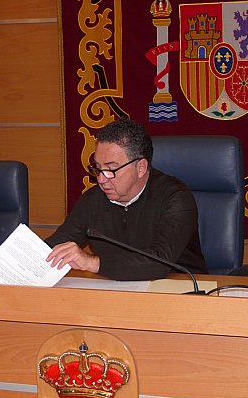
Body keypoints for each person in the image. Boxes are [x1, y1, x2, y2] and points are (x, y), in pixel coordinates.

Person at [45, 118, 207, 280]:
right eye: (98, 169)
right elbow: (53, 247)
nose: (101, 179)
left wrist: (92, 263)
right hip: (114, 286)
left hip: (180, 285)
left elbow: (159, 263)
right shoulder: (93, 199)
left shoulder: (176, 198)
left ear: (141, 167)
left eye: (111, 169)